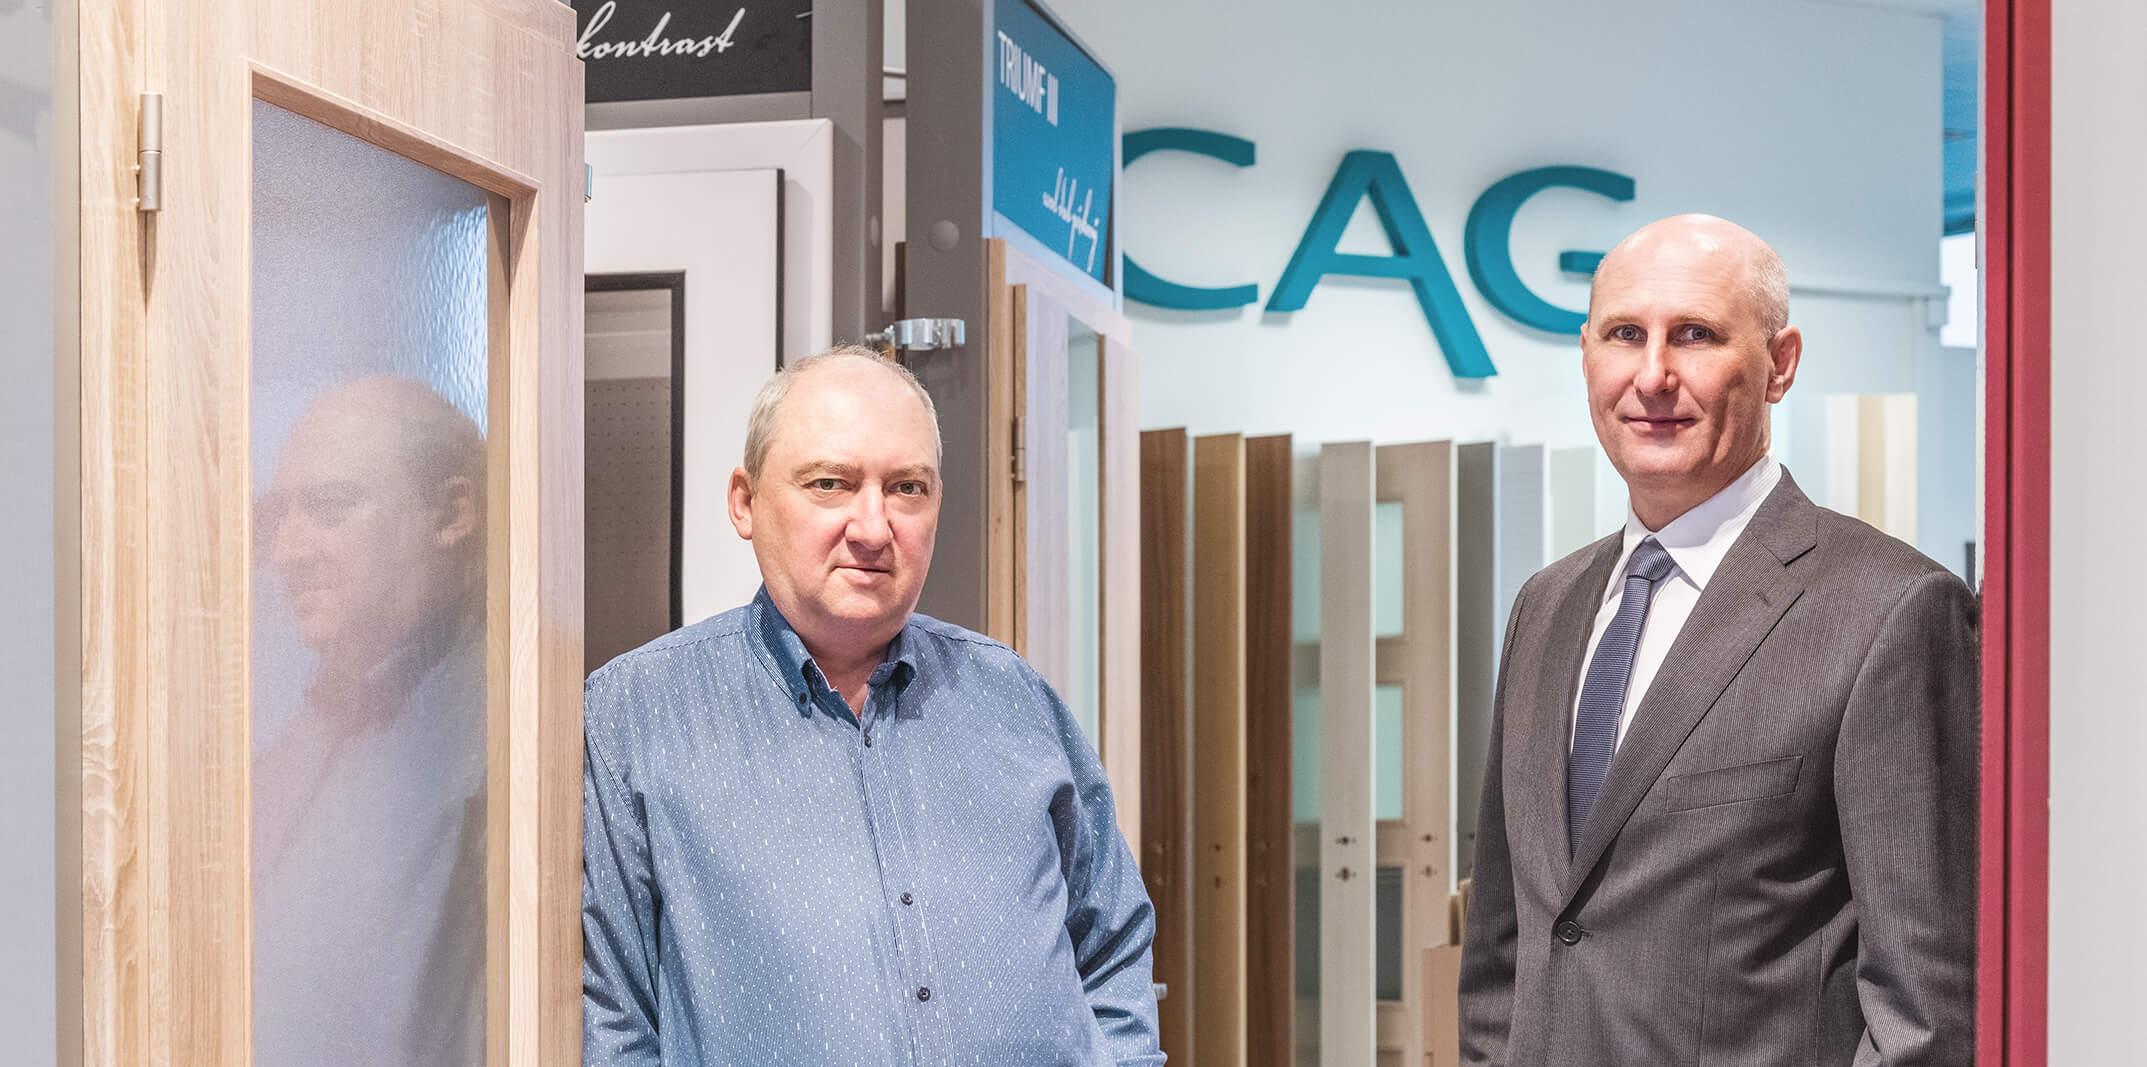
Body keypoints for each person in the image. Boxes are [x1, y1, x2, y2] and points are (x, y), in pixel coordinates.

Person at [1458, 216, 1976, 1066]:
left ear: (1780, 363)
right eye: (1624, 335)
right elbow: (1502, 948)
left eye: (1694, 335)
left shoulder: (1892, 609)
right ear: (1586, 355)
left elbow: (1926, 1010)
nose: (1652, 375)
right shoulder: (1545, 605)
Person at [581, 346, 1163, 1066]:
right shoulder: (634, 716)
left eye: (906, 488)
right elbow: (613, 1020)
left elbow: (1113, 944)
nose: (873, 527)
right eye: (830, 483)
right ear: (745, 502)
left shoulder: (1014, 698)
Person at [251, 376, 488, 1064]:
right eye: (277, 517)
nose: (288, 552)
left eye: (329, 507)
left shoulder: (509, 746)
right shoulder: (296, 745)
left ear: (451, 514)